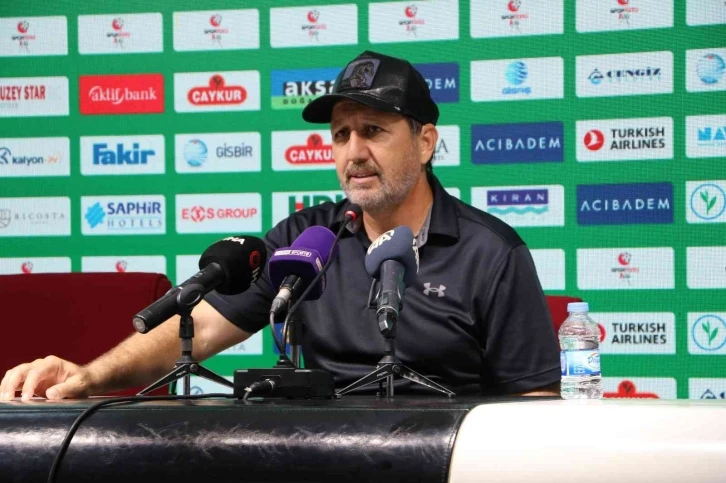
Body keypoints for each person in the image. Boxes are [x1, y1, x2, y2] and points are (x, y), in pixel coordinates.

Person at [0, 51, 560, 401]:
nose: (354, 152)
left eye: (373, 130)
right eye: (340, 135)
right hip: (323, 458)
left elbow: (534, 402)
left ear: (425, 141)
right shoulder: (306, 240)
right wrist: (88, 377)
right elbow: (200, 327)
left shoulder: (491, 252)